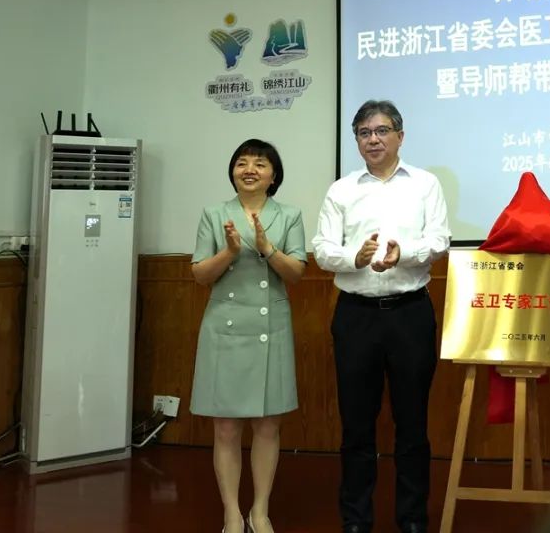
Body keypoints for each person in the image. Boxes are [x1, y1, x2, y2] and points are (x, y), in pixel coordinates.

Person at [312, 100, 450, 533]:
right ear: (356, 140)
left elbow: (439, 240)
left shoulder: (425, 184)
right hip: (356, 316)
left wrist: (402, 253)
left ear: (400, 136)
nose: (373, 139)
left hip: (410, 314)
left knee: (413, 423)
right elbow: (322, 249)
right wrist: (354, 258)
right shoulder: (341, 190)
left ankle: (412, 518)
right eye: (364, 132)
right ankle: (356, 519)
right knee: (356, 424)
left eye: (381, 131)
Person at [190, 139, 307, 533]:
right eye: (242, 163)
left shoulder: (289, 215)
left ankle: (260, 511)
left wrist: (267, 249)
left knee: (268, 425)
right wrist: (229, 252)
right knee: (225, 427)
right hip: (224, 328)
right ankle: (231, 513)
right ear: (233, 172)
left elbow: (296, 273)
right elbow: (199, 275)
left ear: (274, 176)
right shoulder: (214, 214)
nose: (250, 169)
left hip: (270, 328)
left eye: (260, 163)